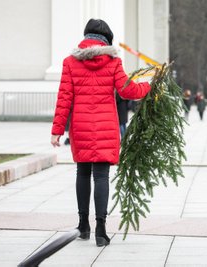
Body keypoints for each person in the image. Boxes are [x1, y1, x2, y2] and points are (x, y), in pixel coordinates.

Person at [50, 18, 151, 247]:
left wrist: (57, 131)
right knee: (102, 176)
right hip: (106, 126)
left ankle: (83, 225)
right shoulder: (113, 61)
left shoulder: (69, 62)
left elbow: (64, 98)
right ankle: (101, 230)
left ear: (86, 36)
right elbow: (128, 91)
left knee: (82, 174)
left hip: (81, 126)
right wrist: (149, 86)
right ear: (107, 38)